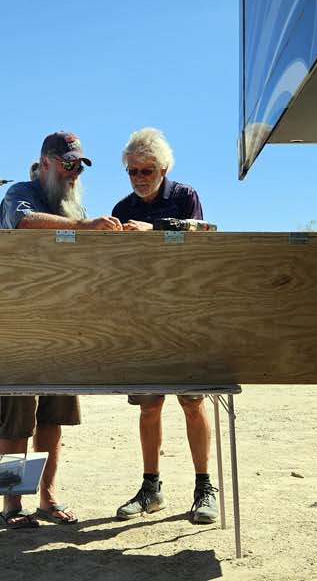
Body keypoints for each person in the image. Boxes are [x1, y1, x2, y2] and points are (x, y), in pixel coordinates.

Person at [0, 130, 120, 529]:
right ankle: (12, 504)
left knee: (53, 417)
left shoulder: (75, 208)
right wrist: (85, 227)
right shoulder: (20, 194)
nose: (74, 173)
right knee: (15, 418)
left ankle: (47, 498)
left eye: (79, 166)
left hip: (63, 328)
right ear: (45, 162)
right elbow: (25, 223)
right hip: (16, 325)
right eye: (68, 164)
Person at [109, 127, 218, 524]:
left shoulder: (186, 196)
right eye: (133, 171)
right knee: (149, 406)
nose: (139, 178)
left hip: (185, 315)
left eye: (147, 170)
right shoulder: (121, 208)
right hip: (143, 320)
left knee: (192, 402)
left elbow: (204, 235)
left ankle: (204, 488)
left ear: (164, 168)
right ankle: (150, 489)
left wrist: (153, 232)